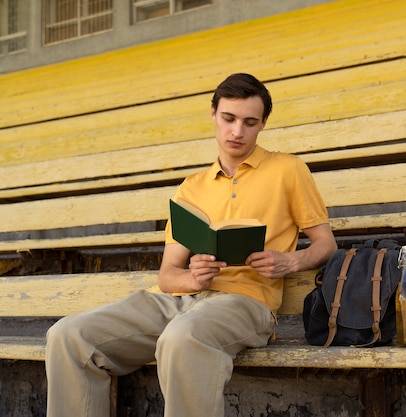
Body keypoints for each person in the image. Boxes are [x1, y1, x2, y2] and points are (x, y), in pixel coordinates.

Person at [45, 73, 338, 417]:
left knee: (181, 337)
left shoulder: (288, 169)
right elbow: (168, 275)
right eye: (228, 119)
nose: (236, 132)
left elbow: (326, 245)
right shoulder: (191, 187)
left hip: (246, 303)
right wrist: (194, 278)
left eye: (249, 122)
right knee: (68, 335)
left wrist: (289, 262)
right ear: (213, 114)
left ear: (263, 124)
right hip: (177, 301)